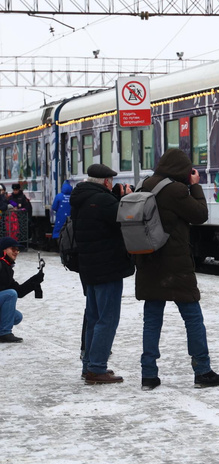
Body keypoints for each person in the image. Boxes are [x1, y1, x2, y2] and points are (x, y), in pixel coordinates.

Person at [135, 148, 219, 391]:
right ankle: (203, 371)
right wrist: (195, 186)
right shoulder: (175, 190)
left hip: (148, 264)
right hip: (176, 267)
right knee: (193, 318)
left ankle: (148, 375)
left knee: (152, 321)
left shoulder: (143, 185)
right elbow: (200, 214)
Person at [70, 163, 134, 384]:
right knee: (107, 319)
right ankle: (97, 368)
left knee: (93, 318)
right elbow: (126, 221)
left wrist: (114, 198)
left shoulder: (79, 198)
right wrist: (126, 199)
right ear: (106, 182)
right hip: (108, 267)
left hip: (88, 268)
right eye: (112, 181)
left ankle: (89, 364)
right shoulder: (105, 201)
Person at [0, 237, 44, 343]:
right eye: (13, 249)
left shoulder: (7, 267)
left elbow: (19, 292)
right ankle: (4, 333)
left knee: (17, 317)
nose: (16, 252)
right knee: (10, 294)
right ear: (4, 250)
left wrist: (34, 280)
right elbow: (13, 293)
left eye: (17, 250)